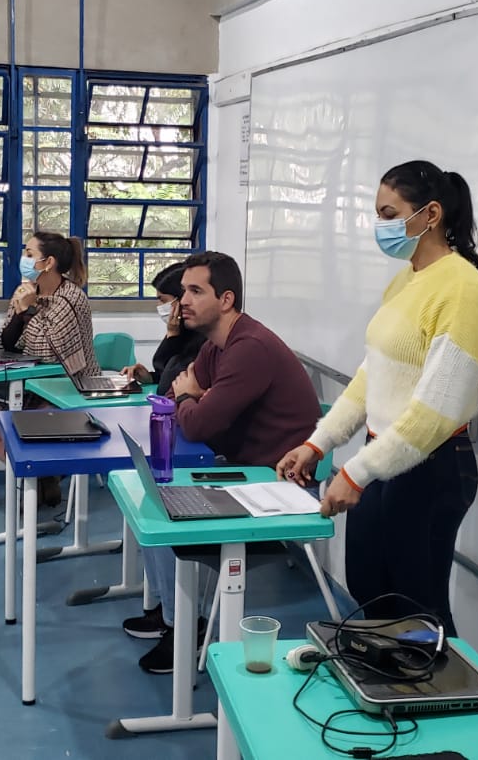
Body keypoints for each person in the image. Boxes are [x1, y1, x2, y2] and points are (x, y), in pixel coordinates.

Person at [277, 162, 478, 637]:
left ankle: (438, 685)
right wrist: (318, 444)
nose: (381, 226)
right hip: (384, 461)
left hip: (433, 466)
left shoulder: (462, 289)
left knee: (418, 611)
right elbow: (370, 377)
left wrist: (355, 473)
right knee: (369, 590)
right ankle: (384, 681)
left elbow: (434, 415)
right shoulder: (404, 281)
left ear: (430, 214)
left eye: (389, 214)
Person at [123, 251, 317, 673]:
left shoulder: (249, 348)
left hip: (278, 485)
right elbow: (172, 395)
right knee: (153, 499)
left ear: (226, 299)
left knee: (168, 513)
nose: (183, 302)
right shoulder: (217, 345)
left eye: (195, 291)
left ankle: (183, 629)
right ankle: (172, 615)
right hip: (246, 470)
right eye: (183, 291)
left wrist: (193, 397)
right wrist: (193, 396)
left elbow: (196, 423)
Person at [0, 232, 101, 508]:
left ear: (48, 262)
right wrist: (20, 313)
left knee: (29, 428)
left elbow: (50, 353)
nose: (23, 259)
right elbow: (6, 343)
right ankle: (43, 477)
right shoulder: (26, 292)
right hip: (30, 386)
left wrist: (29, 311)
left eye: (30, 254)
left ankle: (41, 477)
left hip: (69, 388)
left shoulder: (70, 298)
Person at [122, 261, 205, 397]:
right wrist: (150, 377)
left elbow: (168, 386)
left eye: (163, 300)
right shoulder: (183, 332)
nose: (159, 306)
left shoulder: (202, 337)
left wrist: (172, 333)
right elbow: (166, 373)